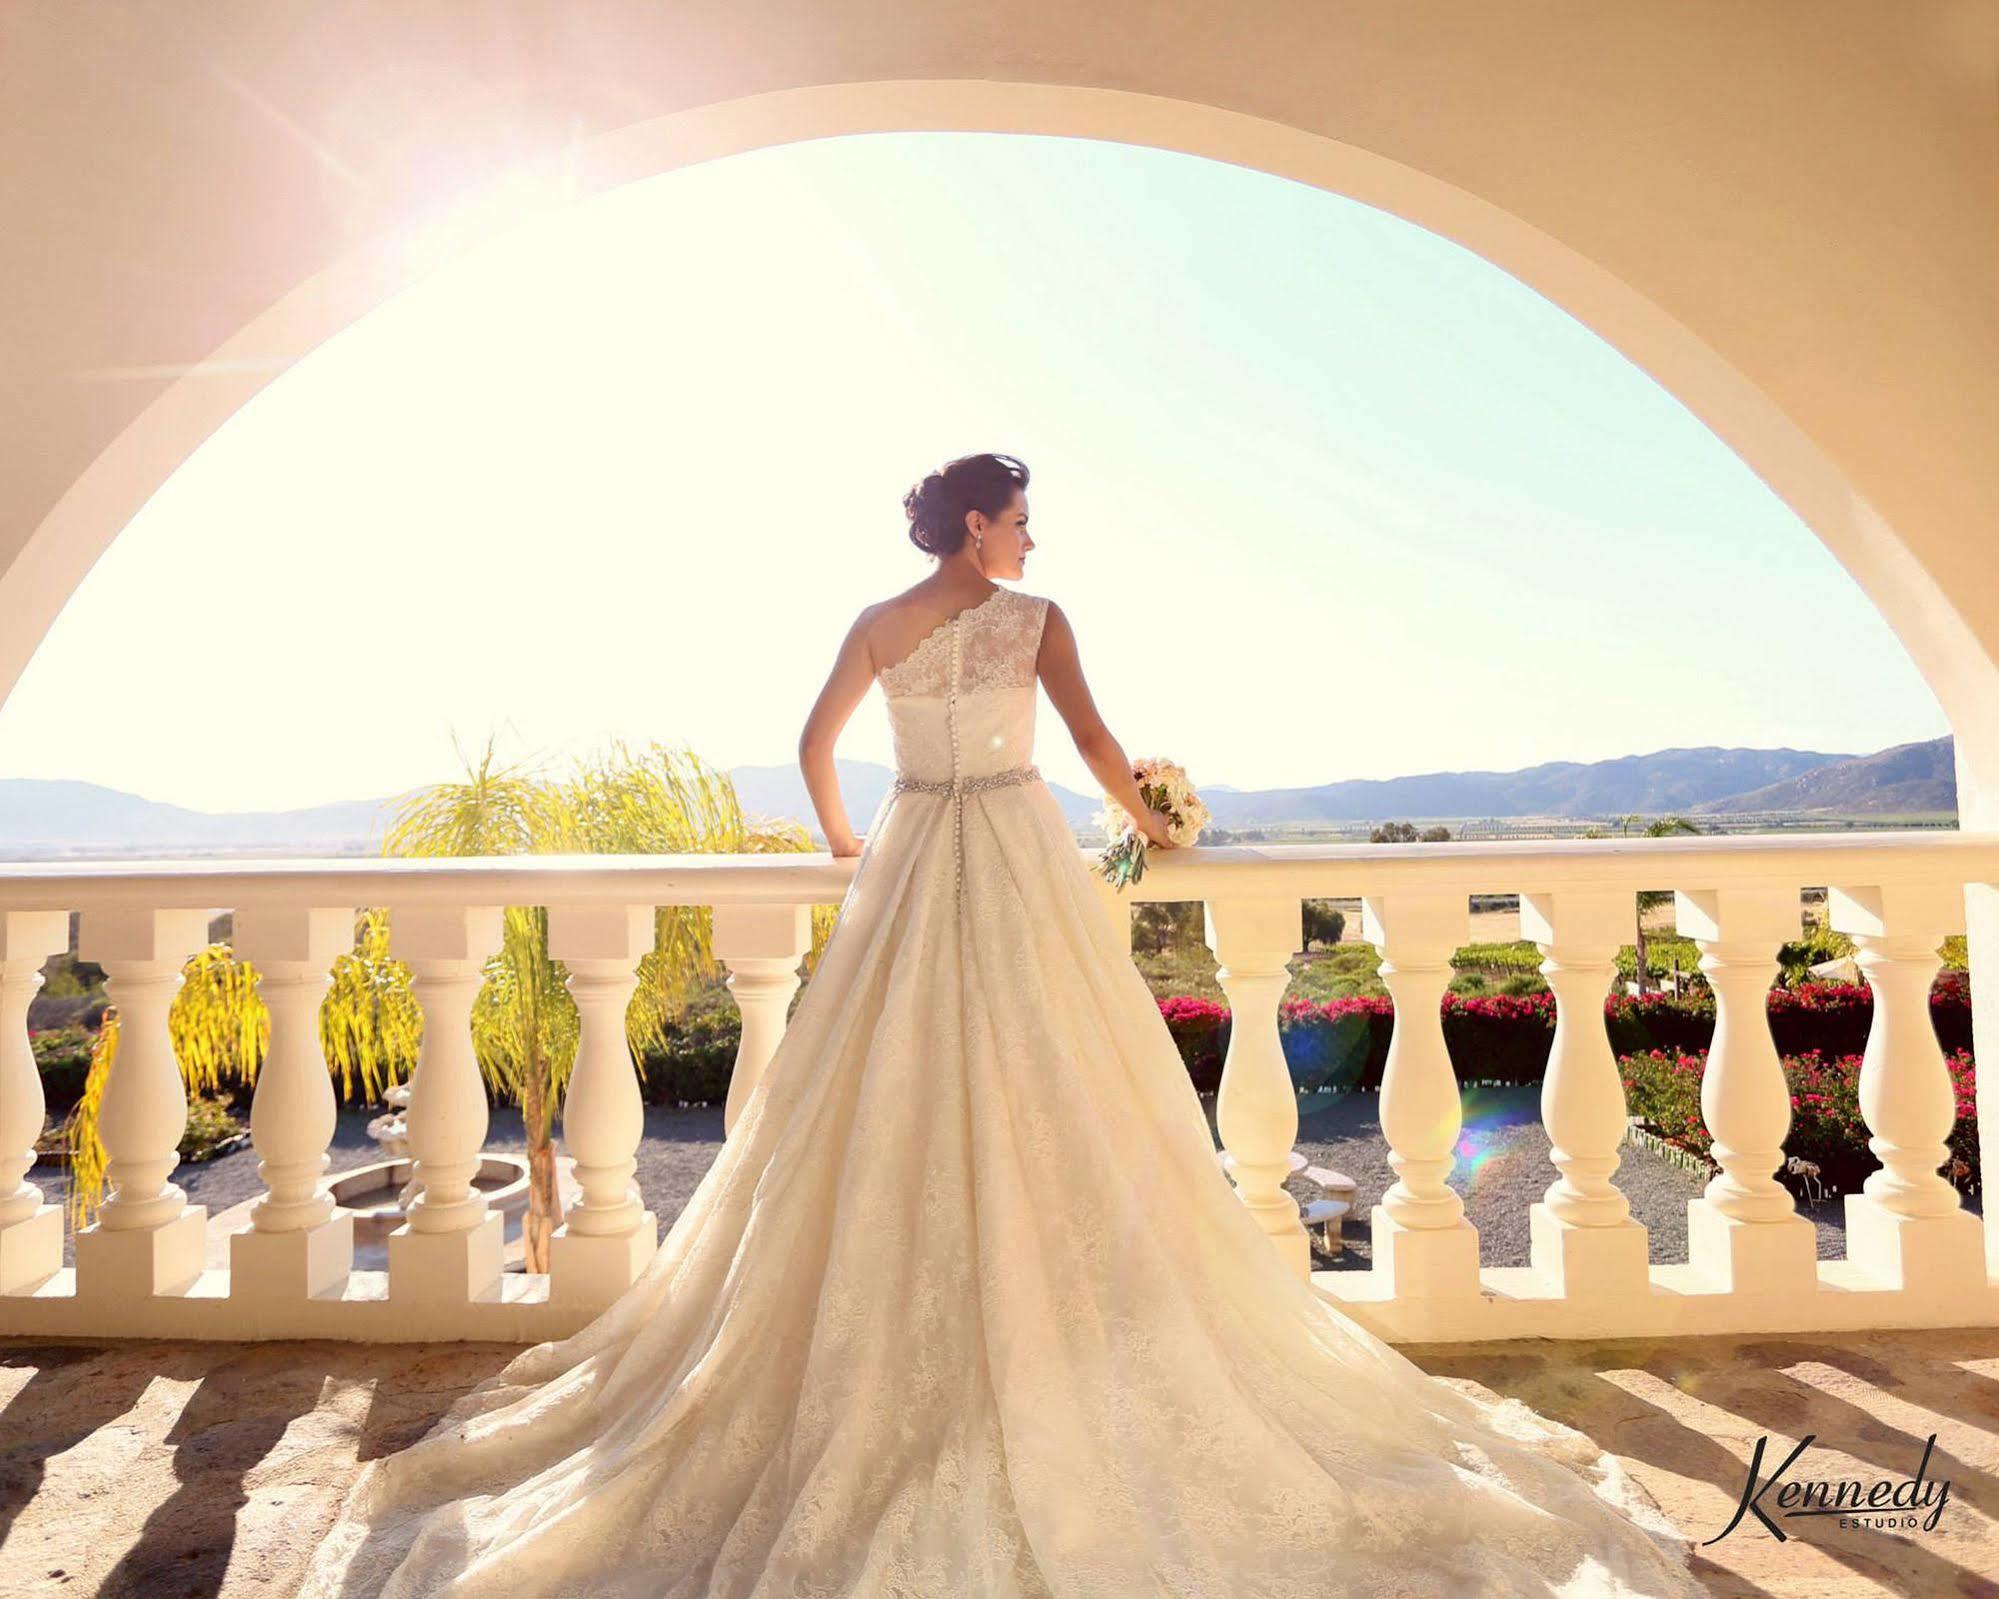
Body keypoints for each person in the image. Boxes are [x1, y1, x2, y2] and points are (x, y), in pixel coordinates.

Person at [297, 453, 1706, 1597]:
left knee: (877, 1096)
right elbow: (1093, 749)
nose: (1034, 540)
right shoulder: (1037, 623)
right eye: (1023, 520)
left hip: (916, 854)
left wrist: (854, 839)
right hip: (1018, 858)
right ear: (979, 525)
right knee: (1067, 1085)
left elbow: (808, 745)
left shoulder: (874, 624)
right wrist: (1161, 821)